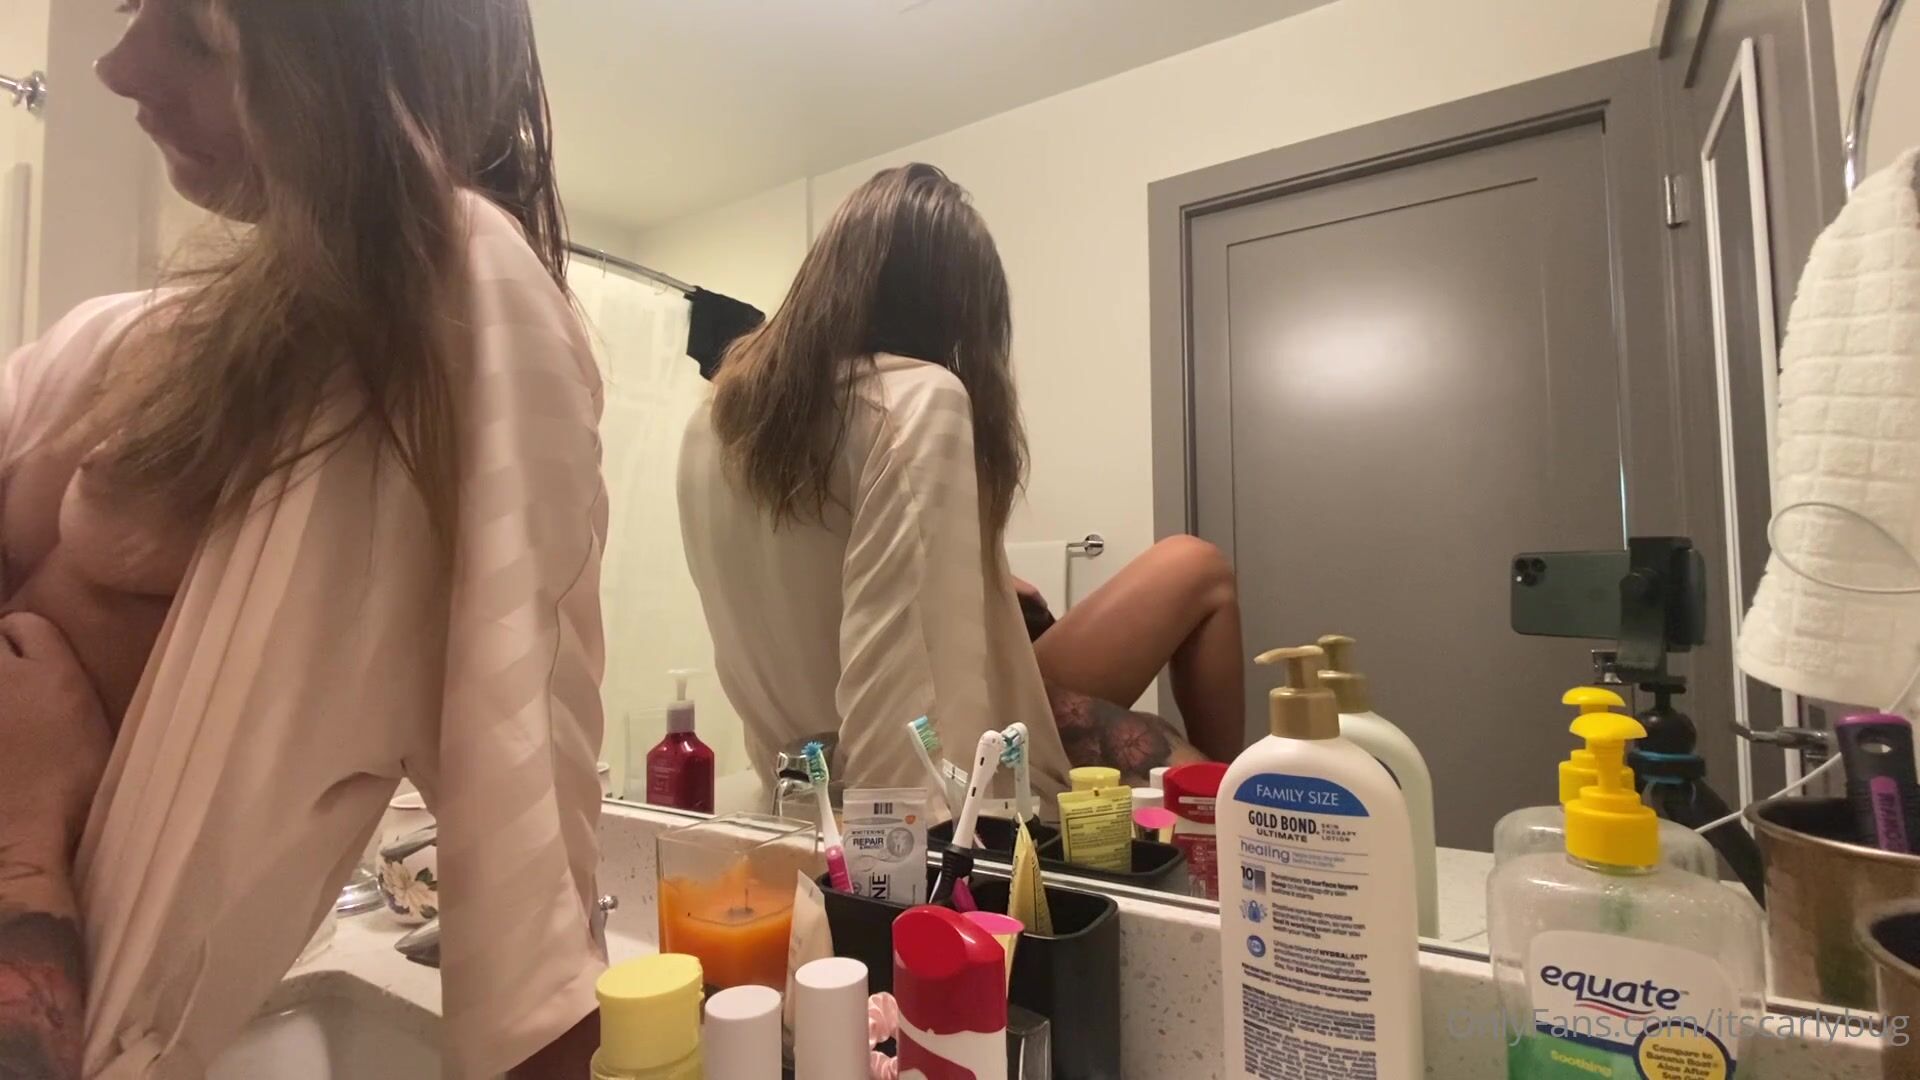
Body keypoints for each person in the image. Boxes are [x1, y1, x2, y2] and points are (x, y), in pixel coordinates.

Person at [0, 2, 606, 1077]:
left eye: (198, 32)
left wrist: (23, 843)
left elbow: (535, 941)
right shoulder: (110, 341)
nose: (118, 66)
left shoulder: (453, 305)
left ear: (358, 60)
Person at [680, 163, 1203, 797]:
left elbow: (815, 576)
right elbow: (901, 676)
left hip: (794, 777)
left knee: (1189, 578)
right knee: (1194, 580)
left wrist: (987, 579)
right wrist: (906, 839)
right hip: (926, 792)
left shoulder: (712, 421)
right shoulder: (918, 397)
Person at [1017, 535, 1247, 764]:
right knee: (1197, 564)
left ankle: (1225, 780)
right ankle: (1225, 781)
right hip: (1003, 690)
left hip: (1014, 648)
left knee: (1199, 566)